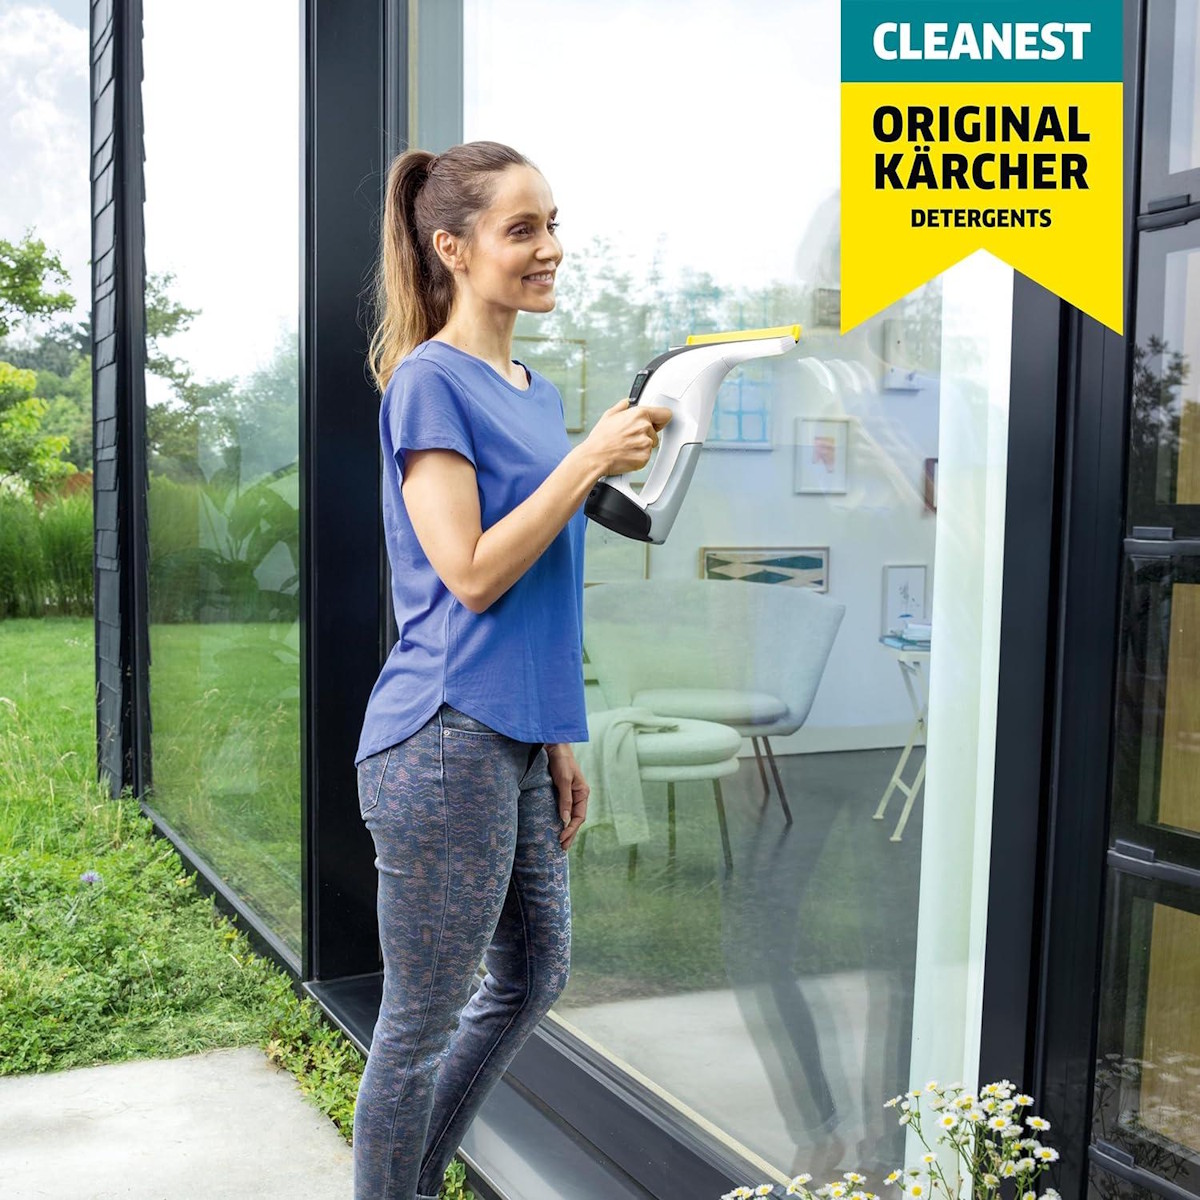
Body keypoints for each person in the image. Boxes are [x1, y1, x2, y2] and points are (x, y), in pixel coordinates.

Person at [351, 140, 672, 1200]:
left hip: (518, 732)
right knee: (418, 1024)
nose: (551, 250)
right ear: (453, 248)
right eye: (522, 229)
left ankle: (409, 1181)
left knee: (533, 975)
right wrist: (586, 461)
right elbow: (474, 574)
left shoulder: (530, 391)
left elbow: (543, 591)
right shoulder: (428, 383)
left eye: (552, 225)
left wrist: (562, 731)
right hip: (442, 735)